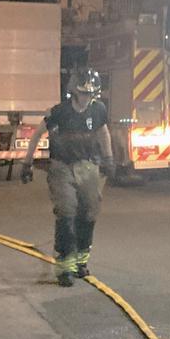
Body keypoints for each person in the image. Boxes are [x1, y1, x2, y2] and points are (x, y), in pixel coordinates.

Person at [21, 68, 113, 286]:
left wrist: (109, 158)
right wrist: (27, 162)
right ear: (74, 92)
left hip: (88, 166)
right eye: (83, 94)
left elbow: (103, 132)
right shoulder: (60, 112)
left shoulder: (97, 110)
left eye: (90, 95)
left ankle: (81, 260)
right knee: (67, 211)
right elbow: (37, 134)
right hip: (62, 168)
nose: (86, 99)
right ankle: (65, 268)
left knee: (90, 211)